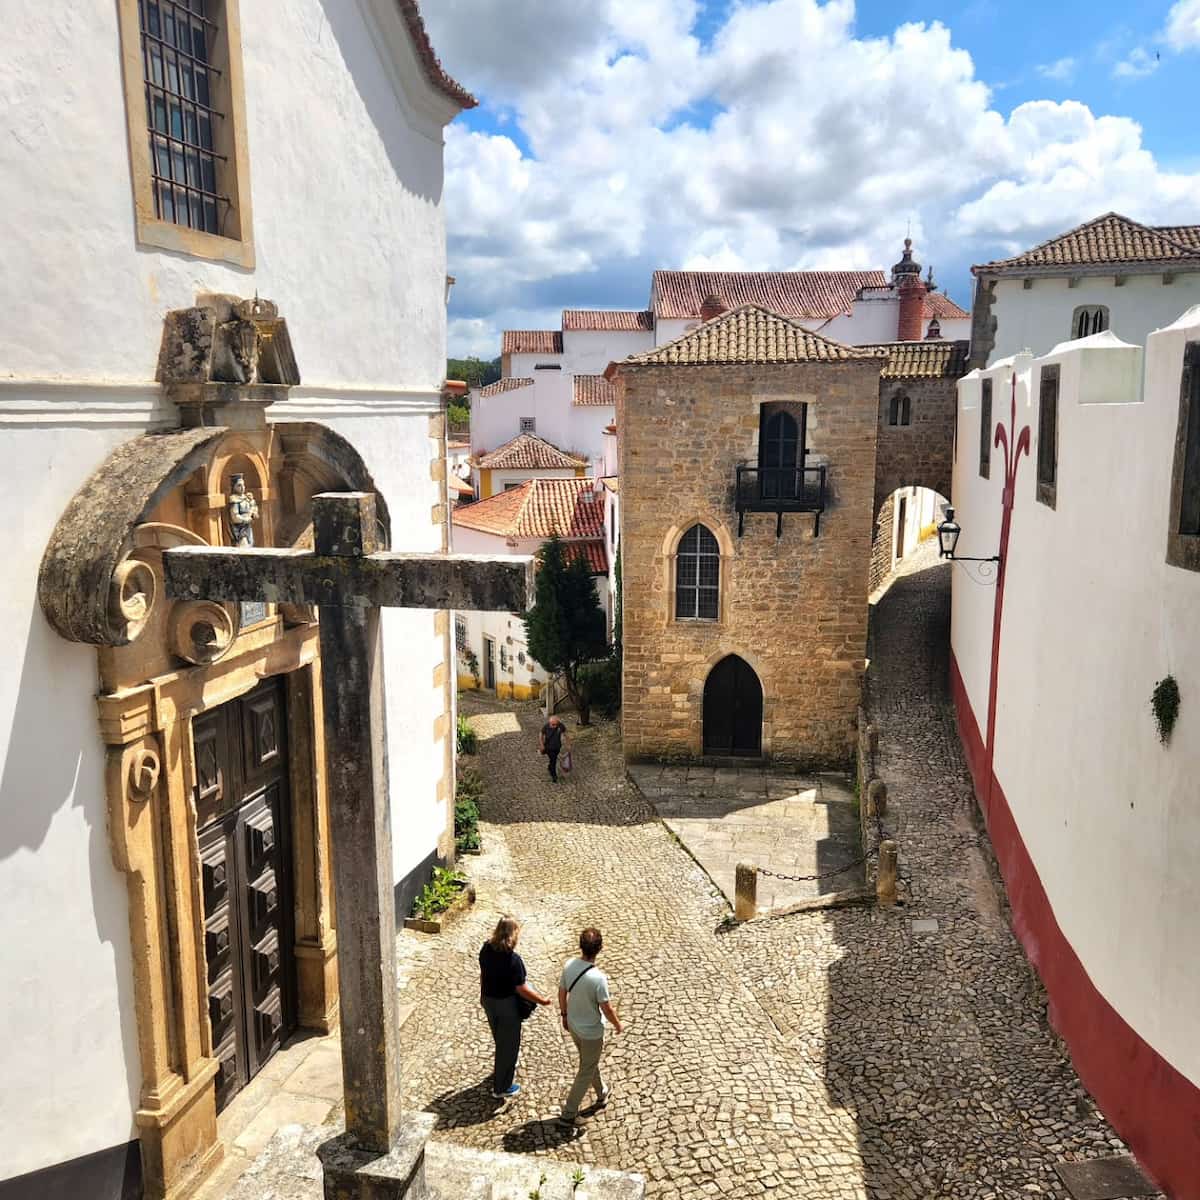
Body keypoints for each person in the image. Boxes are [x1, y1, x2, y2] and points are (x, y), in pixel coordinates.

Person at [478, 916, 550, 1099]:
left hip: (488, 1000)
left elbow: (483, 974)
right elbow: (521, 988)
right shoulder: (513, 960)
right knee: (509, 1044)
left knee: (500, 1038)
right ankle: (502, 1087)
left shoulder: (486, 949)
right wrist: (542, 1000)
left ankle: (503, 1068)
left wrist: (482, 994)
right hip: (506, 1006)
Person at [557, 927, 622, 1129]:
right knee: (585, 1070)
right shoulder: (598, 978)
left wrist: (564, 1015)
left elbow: (561, 992)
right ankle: (569, 1113)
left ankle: (602, 1092)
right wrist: (618, 1024)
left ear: (580, 945)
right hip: (591, 1031)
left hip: (574, 1026)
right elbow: (607, 1008)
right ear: (600, 948)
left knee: (588, 1062)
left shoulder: (569, 965)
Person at [539, 713, 568, 783]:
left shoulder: (560, 726)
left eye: (555, 724)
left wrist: (568, 744)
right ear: (550, 723)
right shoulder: (546, 726)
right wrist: (542, 744)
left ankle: (550, 767)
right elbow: (541, 734)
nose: (554, 726)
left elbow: (566, 734)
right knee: (553, 760)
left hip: (557, 747)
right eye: (552, 724)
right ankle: (554, 775)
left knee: (553, 759)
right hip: (549, 747)